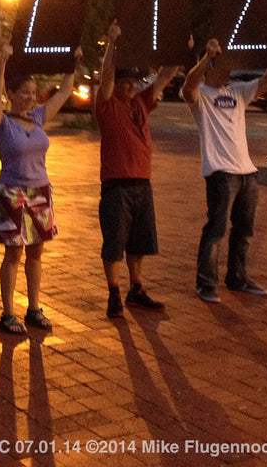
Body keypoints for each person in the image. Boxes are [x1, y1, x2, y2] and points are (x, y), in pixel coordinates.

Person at [0, 41, 81, 334]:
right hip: (12, 192)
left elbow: (65, 92)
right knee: (13, 254)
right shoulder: (1, 122)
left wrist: (73, 64)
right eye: (24, 93)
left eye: (33, 92)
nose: (30, 97)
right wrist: (2, 63)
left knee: (36, 253)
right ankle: (7, 313)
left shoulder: (38, 117)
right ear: (11, 94)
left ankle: (34, 307)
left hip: (40, 191)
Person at [181, 38, 267, 304]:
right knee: (216, 230)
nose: (229, 70)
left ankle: (238, 277)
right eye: (222, 63)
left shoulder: (237, 91)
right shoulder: (201, 95)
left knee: (244, 231)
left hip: (247, 172)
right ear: (211, 65)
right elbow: (188, 85)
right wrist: (206, 59)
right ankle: (205, 283)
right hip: (221, 173)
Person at [94, 21, 180, 318]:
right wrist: (113, 45)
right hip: (117, 184)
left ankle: (136, 288)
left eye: (133, 81)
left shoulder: (141, 102)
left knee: (140, 240)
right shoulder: (107, 105)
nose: (131, 86)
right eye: (125, 82)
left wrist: (180, 47)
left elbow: (165, 76)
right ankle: (114, 292)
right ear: (116, 84)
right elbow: (105, 80)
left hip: (143, 183)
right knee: (114, 242)